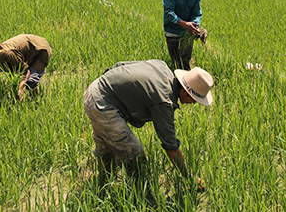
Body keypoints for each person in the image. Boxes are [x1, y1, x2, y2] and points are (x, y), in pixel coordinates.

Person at [83, 59, 213, 190]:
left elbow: (121, 65)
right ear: (185, 91)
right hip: (101, 104)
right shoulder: (164, 100)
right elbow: (170, 147)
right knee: (134, 153)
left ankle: (104, 183)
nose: (194, 103)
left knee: (107, 145)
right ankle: (138, 191)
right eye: (194, 99)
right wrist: (189, 178)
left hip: (96, 88)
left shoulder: (162, 67)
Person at [0, 34, 52, 100]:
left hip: (39, 49)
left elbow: (25, 71)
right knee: (15, 78)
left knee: (30, 81)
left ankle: (36, 102)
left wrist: (20, 90)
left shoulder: (6, 55)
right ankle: (27, 100)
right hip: (26, 53)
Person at [163, 0, 208, 70]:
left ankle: (185, 85)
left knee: (185, 61)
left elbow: (196, 13)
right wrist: (185, 24)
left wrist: (195, 26)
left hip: (187, 34)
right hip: (172, 32)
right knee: (174, 62)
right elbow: (169, 13)